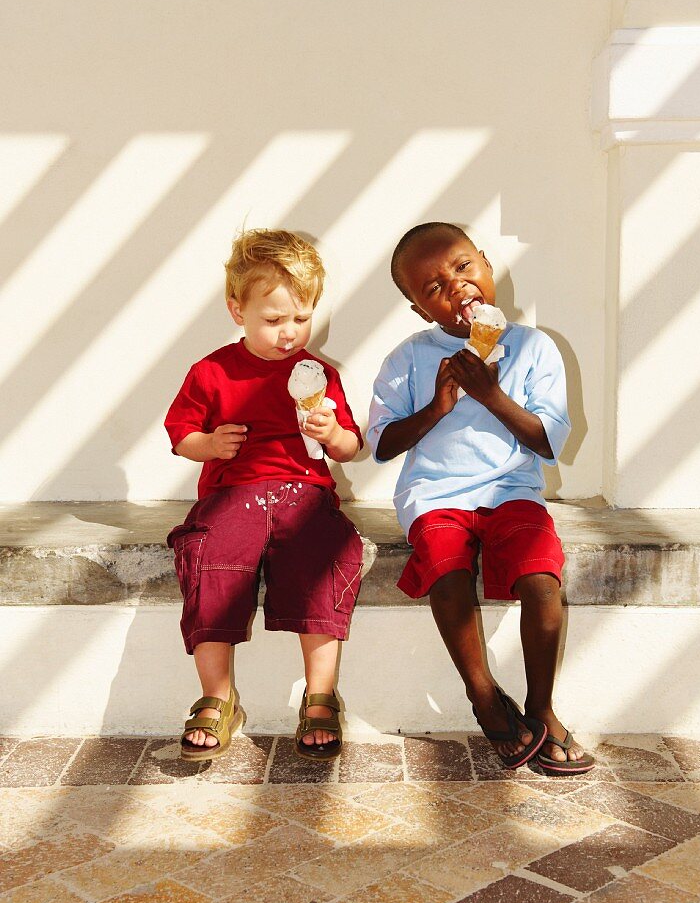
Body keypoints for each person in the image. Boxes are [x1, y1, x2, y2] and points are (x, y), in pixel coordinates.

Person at [367, 222, 594, 774]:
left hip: (512, 491)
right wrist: (437, 408)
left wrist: (491, 395)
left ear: (488, 266)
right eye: (433, 288)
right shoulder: (410, 358)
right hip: (435, 495)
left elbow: (547, 440)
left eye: (463, 267)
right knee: (446, 576)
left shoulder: (533, 348)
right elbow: (381, 443)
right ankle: (484, 696)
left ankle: (539, 705)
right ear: (422, 312)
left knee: (542, 583)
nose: (456, 287)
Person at [165, 228, 364, 762]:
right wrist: (209, 443)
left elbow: (349, 447)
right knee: (211, 561)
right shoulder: (212, 372)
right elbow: (180, 435)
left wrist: (330, 435)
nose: (289, 333)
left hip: (305, 493)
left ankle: (320, 695)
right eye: (274, 320)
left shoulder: (318, 375)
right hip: (234, 494)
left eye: (302, 319)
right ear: (238, 310)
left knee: (323, 556)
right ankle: (217, 695)